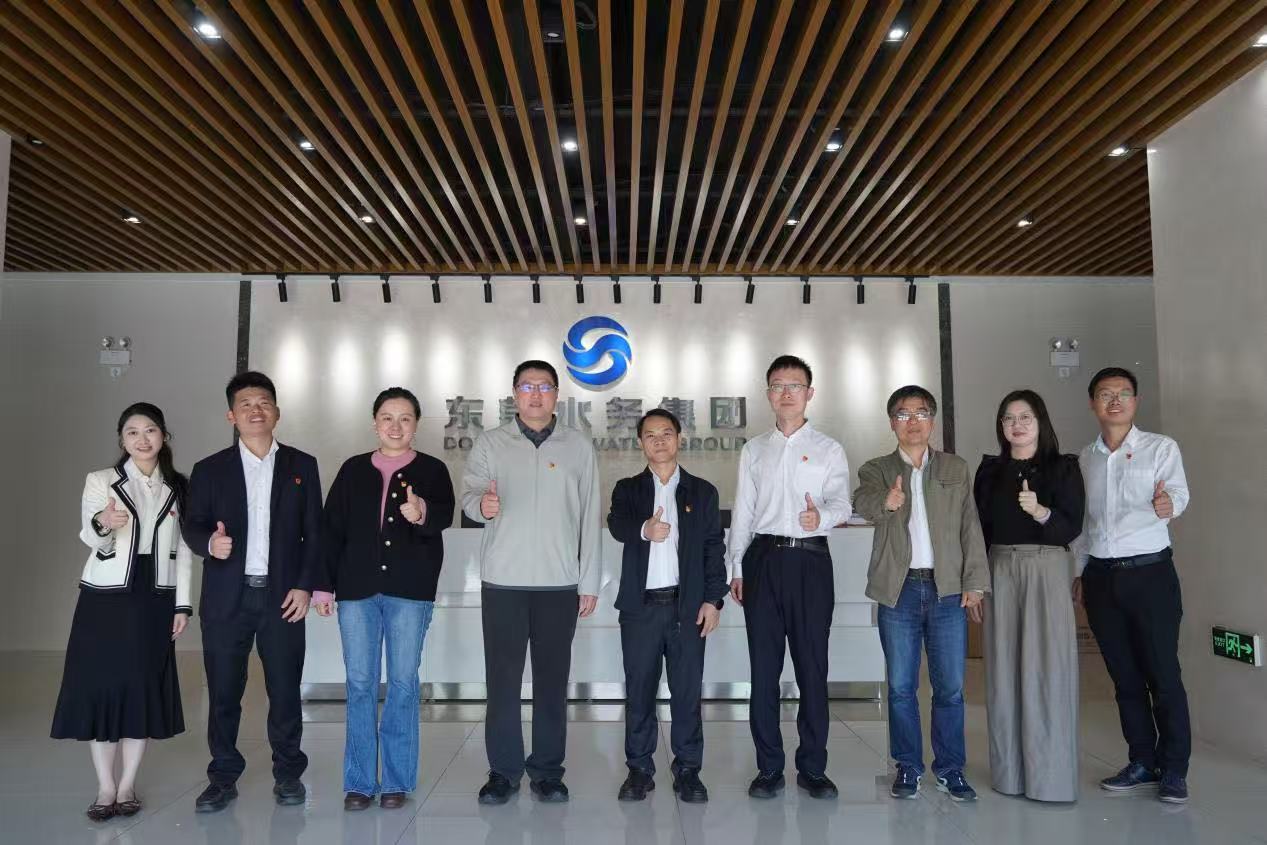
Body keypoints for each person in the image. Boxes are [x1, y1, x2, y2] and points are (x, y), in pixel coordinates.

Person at [182, 371, 325, 813]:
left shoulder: (302, 466)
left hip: (283, 597)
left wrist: (305, 586)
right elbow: (191, 524)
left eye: (263, 402)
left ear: (277, 412)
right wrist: (210, 543)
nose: (255, 410)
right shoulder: (209, 470)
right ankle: (223, 777)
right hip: (227, 598)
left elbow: (315, 533)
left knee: (285, 689)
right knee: (224, 692)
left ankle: (289, 774)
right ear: (232, 415)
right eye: (245, 404)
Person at [461, 360, 602, 805]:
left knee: (551, 684)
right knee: (502, 683)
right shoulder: (490, 443)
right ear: (514, 394)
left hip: (559, 585)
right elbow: (469, 497)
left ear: (557, 394)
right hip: (503, 582)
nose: (536, 394)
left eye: (544, 387)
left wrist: (589, 581)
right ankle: (503, 772)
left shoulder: (578, 446)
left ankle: (547, 772)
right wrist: (481, 506)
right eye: (527, 386)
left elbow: (590, 516)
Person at [312, 387, 455, 811]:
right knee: (359, 684)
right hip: (356, 591)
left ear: (416, 425)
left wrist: (421, 512)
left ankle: (395, 780)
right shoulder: (353, 469)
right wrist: (323, 585)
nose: (396, 426)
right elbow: (331, 530)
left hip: (410, 592)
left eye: (405, 418)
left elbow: (444, 514)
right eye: (387, 417)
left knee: (403, 684)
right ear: (375, 423)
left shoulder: (432, 469)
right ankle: (359, 782)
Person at [52, 403, 193, 821]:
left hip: (156, 596)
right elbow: (90, 535)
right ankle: (105, 787)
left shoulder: (179, 487)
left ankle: (128, 784)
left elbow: (185, 551)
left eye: (150, 430)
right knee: (102, 689)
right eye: (132, 432)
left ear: (163, 436)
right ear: (122, 439)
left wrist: (183, 604)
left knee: (140, 689)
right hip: (106, 598)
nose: (142, 439)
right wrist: (104, 522)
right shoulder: (101, 480)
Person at [853, 385, 989, 802]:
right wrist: (887, 501)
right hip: (899, 592)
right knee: (900, 687)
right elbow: (862, 503)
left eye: (921, 413)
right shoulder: (876, 469)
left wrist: (974, 581)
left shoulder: (955, 467)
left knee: (950, 687)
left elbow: (970, 525)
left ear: (932, 420)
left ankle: (950, 768)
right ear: (891, 422)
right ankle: (908, 767)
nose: (912, 421)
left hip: (947, 590)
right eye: (903, 414)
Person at [727, 354, 852, 801]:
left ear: (809, 393)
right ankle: (768, 768)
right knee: (763, 671)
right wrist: (736, 566)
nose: (786, 393)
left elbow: (842, 503)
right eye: (778, 385)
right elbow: (743, 511)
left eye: (794, 385)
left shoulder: (829, 449)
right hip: (762, 559)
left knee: (812, 668)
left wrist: (822, 517)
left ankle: (813, 768)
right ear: (768, 394)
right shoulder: (754, 449)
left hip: (811, 562)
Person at [1076, 366, 1192, 804]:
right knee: (1124, 677)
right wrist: (1079, 571)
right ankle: (1142, 760)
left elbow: (1178, 494)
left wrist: (1168, 504)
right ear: (1093, 403)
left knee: (1163, 673)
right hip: (1101, 577)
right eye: (1106, 394)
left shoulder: (1160, 448)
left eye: (1124, 393)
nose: (1115, 401)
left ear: (1135, 401)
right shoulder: (1085, 458)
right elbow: (1084, 524)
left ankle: (1174, 769)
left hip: (1150, 575)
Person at [607, 408, 728, 804]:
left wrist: (714, 600)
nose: (659, 441)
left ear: (679, 439)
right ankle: (639, 770)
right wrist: (645, 529)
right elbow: (617, 524)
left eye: (666, 433)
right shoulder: (628, 489)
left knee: (687, 694)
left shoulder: (702, 491)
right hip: (640, 610)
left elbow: (713, 548)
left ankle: (688, 769)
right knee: (639, 693)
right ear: (640, 443)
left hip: (687, 608)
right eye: (650, 435)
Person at [973, 389, 1084, 802]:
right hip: (1000, 567)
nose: (1016, 425)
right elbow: (979, 531)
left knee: (1047, 669)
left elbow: (1072, 526)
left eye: (1025, 417)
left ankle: (1050, 778)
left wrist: (1040, 512)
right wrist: (975, 582)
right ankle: (1009, 775)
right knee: (1003, 670)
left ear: (1041, 422)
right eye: (1008, 418)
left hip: (1046, 567)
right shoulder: (990, 470)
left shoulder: (1064, 468)